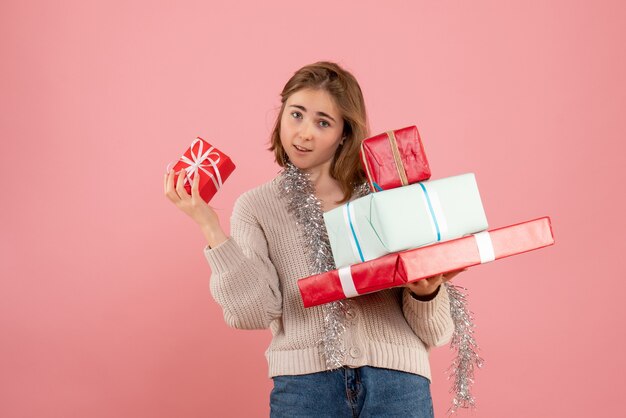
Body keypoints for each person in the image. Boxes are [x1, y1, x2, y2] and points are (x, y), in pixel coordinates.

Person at [164, 61, 463, 417]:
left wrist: (426, 291)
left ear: (344, 134)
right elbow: (253, 312)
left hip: (397, 386)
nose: (304, 133)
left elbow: (438, 331)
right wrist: (211, 228)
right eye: (296, 115)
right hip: (306, 390)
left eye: (323, 122)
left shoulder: (385, 195)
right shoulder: (256, 207)